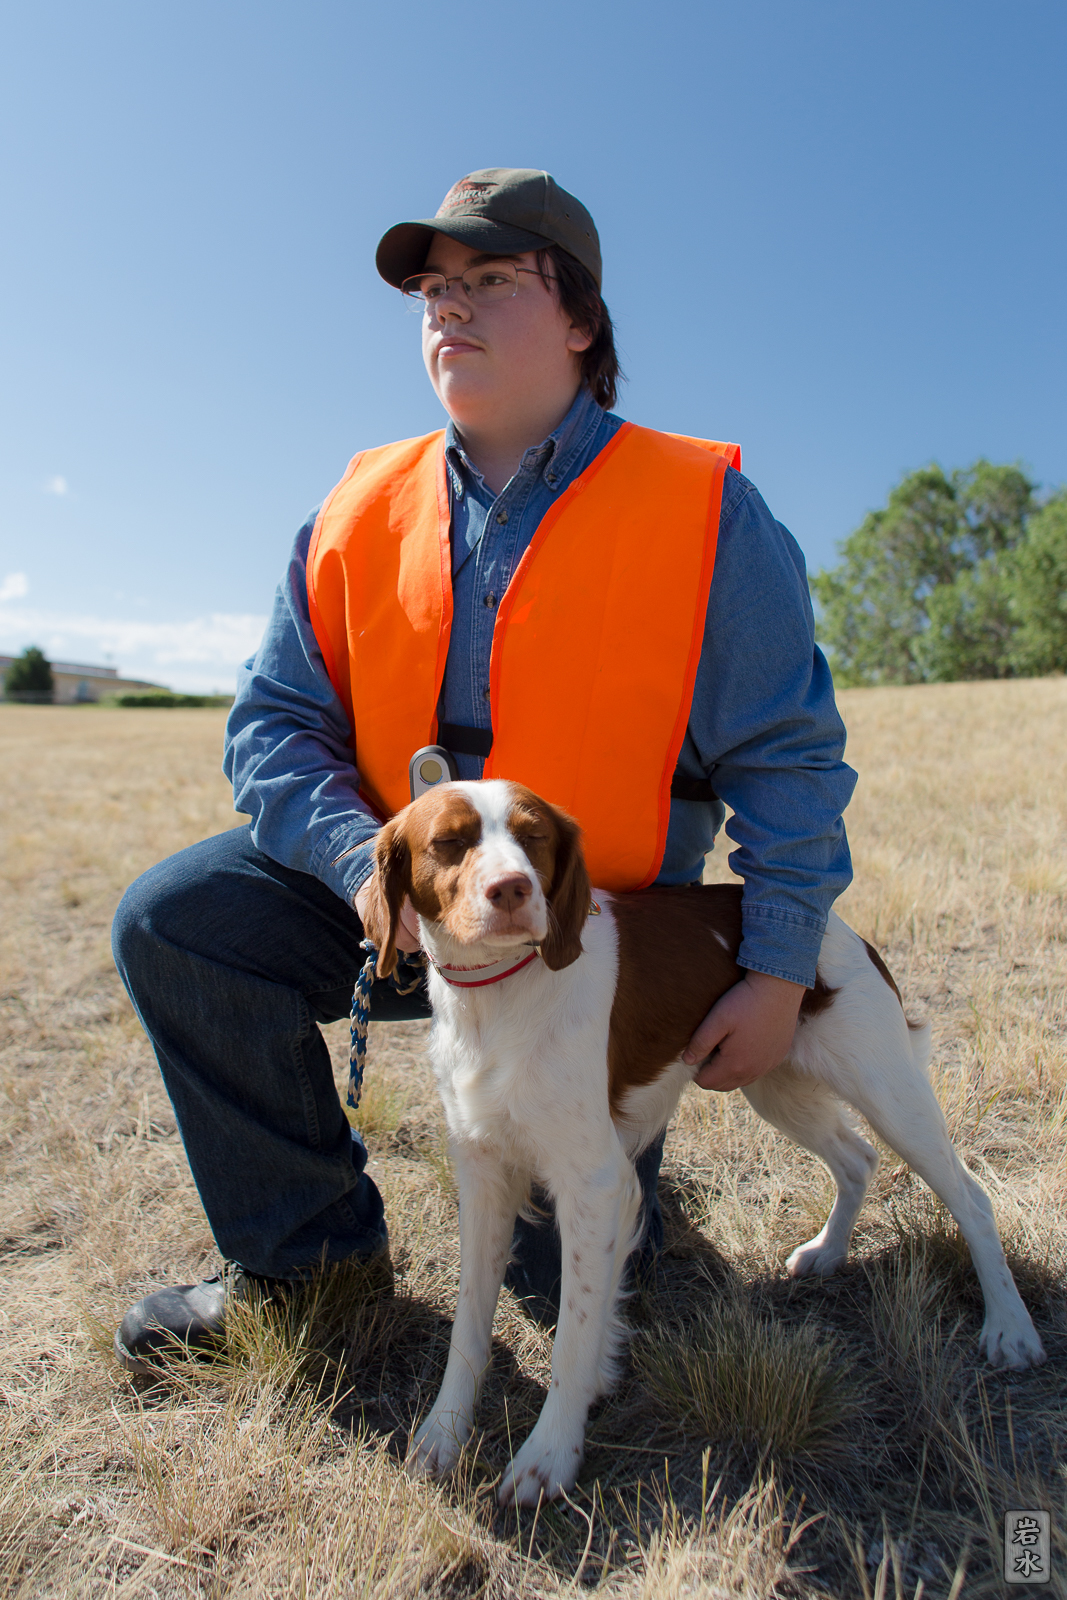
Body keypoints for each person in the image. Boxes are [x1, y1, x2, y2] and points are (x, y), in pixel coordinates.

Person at [112, 168, 856, 1371]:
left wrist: (775, 968)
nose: (447, 308)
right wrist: (370, 865)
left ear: (579, 322)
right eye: (432, 290)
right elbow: (272, 725)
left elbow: (786, 759)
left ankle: (602, 1194)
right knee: (175, 921)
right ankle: (304, 1261)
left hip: (584, 948)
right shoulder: (352, 507)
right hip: (396, 909)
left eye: (491, 281)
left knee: (563, 1273)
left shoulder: (705, 511)